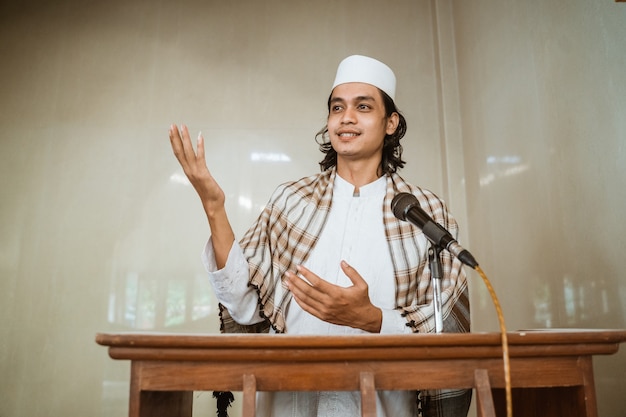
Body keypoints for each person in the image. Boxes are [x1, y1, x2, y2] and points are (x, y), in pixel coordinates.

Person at [169, 55, 471, 417]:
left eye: (363, 106)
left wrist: (371, 319)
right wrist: (214, 207)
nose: (346, 117)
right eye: (337, 107)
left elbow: (447, 331)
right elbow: (245, 306)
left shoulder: (425, 213)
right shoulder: (291, 201)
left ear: (390, 123)